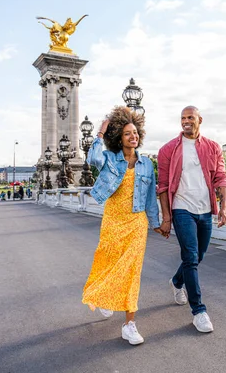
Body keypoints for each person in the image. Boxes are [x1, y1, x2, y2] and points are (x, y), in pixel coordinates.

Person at [82, 106, 165, 346]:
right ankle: (104, 297)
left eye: (135, 133)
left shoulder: (147, 164)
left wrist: (157, 223)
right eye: (127, 133)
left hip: (136, 222)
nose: (133, 136)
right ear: (119, 137)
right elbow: (92, 158)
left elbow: (150, 197)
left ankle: (129, 324)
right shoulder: (109, 158)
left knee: (131, 272)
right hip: (113, 219)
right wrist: (100, 133)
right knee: (107, 261)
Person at [157, 106, 226, 333]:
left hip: (205, 209)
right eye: (182, 118)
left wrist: (224, 207)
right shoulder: (168, 149)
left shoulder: (213, 147)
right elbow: (163, 186)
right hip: (182, 208)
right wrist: (166, 217)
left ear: (200, 120)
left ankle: (177, 282)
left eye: (190, 118)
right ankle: (199, 311)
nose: (186, 121)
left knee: (199, 255)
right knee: (190, 256)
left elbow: (221, 177)